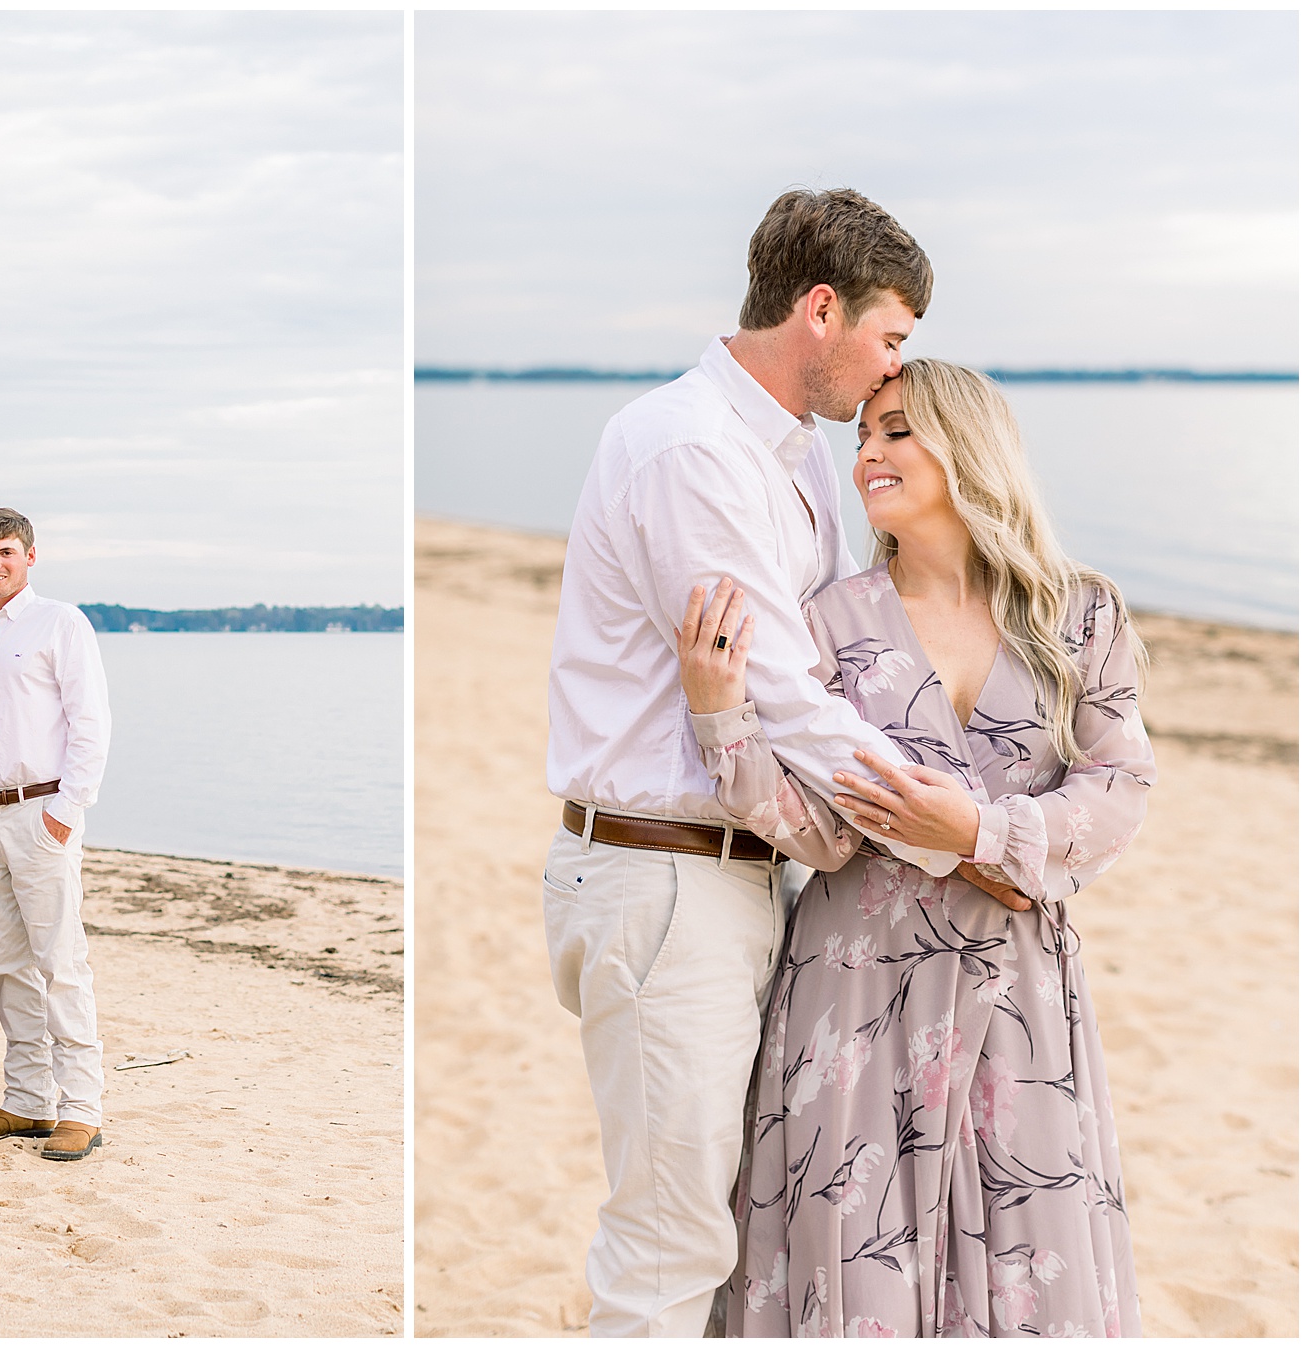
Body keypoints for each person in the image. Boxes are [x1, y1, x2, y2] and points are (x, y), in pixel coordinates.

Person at [544, 187, 960, 1336]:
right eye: (890, 339)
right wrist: (949, 817)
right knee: (670, 1244)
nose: (889, 375)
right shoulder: (691, 448)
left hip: (731, 870)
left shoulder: (789, 453)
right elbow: (791, 695)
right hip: (666, 876)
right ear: (820, 310)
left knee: (712, 1227)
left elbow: (825, 665)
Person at [677, 359, 1152, 1336]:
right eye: (860, 438)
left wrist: (978, 830)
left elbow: (1119, 791)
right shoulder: (828, 624)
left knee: (1026, 1274)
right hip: (855, 992)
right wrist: (720, 712)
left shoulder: (1080, 613)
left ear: (966, 442)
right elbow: (818, 829)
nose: (868, 458)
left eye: (895, 431)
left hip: (1020, 997)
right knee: (858, 1278)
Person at [0, 507, 112, 1162]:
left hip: (40, 811)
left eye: (7, 553)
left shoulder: (61, 623)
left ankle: (82, 1108)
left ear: (30, 557)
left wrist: (67, 812)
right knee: (8, 964)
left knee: (60, 961)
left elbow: (91, 722)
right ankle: (27, 1102)